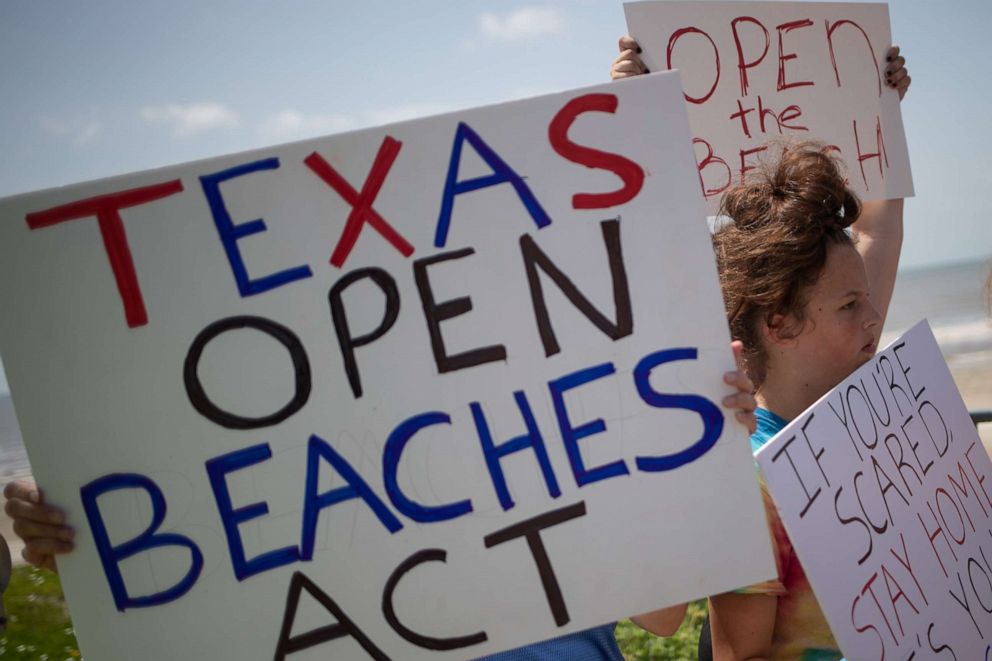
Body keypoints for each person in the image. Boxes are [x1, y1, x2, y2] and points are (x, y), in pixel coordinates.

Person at [612, 36, 910, 661]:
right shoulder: (753, 474)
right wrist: (630, 118)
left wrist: (882, 110)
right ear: (779, 324)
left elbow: (877, 227)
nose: (874, 315)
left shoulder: (847, 366)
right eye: (850, 306)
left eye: (865, 299)